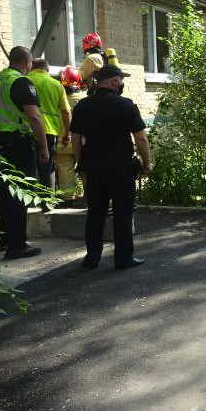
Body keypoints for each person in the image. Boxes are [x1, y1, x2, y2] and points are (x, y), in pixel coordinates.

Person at [70, 64, 152, 269]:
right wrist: (147, 163)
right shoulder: (125, 105)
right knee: (122, 213)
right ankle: (123, 258)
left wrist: (81, 164)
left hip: (94, 168)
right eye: (121, 79)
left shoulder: (83, 106)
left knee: (95, 212)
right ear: (115, 81)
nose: (122, 83)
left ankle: (92, 258)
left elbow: (76, 138)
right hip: (120, 168)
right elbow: (141, 138)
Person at [0, 46, 48, 260]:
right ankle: (18, 245)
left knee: (4, 194)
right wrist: (43, 147)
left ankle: (6, 240)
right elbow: (34, 117)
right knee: (19, 194)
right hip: (18, 145)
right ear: (28, 62)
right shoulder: (21, 82)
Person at [26, 58, 71, 193]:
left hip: (26, 129)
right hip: (49, 131)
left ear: (32, 67)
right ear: (47, 70)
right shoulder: (56, 85)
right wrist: (67, 133)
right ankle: (47, 201)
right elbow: (66, 112)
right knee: (47, 167)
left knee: (27, 165)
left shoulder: (24, 80)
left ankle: (27, 201)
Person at [55, 65, 85, 205]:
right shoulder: (85, 99)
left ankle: (68, 199)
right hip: (83, 142)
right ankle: (90, 196)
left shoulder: (58, 98)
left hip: (63, 142)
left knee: (65, 170)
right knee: (86, 168)